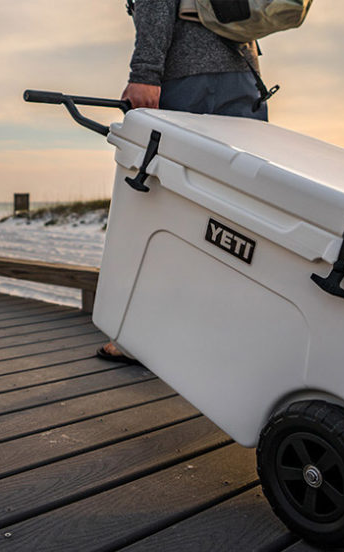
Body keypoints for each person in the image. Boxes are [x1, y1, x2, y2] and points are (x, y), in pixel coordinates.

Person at [97, 0, 269, 365]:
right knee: (232, 208)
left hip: (190, 77)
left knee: (164, 204)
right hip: (243, 75)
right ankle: (219, 331)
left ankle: (141, 335)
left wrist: (145, 72)